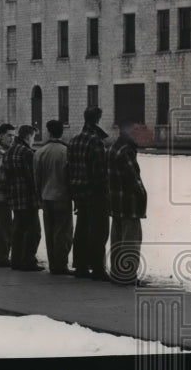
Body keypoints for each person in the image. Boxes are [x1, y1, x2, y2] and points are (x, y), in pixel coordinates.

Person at [68, 107, 111, 281]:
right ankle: (98, 268)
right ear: (98, 119)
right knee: (99, 231)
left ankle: (80, 266)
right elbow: (99, 173)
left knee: (81, 229)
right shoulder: (96, 142)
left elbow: (69, 168)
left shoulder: (74, 140)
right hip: (95, 193)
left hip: (79, 192)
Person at [107, 119, 148, 286]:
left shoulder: (112, 148)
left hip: (115, 202)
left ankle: (117, 273)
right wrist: (143, 195)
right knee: (131, 241)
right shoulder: (126, 151)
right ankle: (128, 275)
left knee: (117, 239)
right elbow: (133, 178)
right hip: (129, 203)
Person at [34, 119, 73, 275]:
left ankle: (53, 263)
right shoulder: (66, 152)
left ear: (48, 132)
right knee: (63, 232)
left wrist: (39, 195)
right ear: (61, 133)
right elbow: (69, 176)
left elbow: (36, 177)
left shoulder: (40, 152)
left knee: (49, 231)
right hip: (62, 196)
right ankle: (61, 264)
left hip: (45, 196)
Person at [6, 125, 43, 271]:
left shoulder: (10, 151)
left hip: (14, 196)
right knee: (33, 231)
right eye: (33, 137)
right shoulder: (27, 152)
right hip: (27, 197)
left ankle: (16, 260)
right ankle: (28, 260)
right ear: (28, 136)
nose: (33, 140)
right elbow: (31, 177)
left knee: (18, 229)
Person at [0, 124, 15, 267]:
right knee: (2, 227)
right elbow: (3, 177)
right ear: (1, 136)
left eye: (13, 135)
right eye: (9, 135)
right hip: (1, 195)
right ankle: (1, 257)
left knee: (0, 226)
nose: (12, 138)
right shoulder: (1, 153)